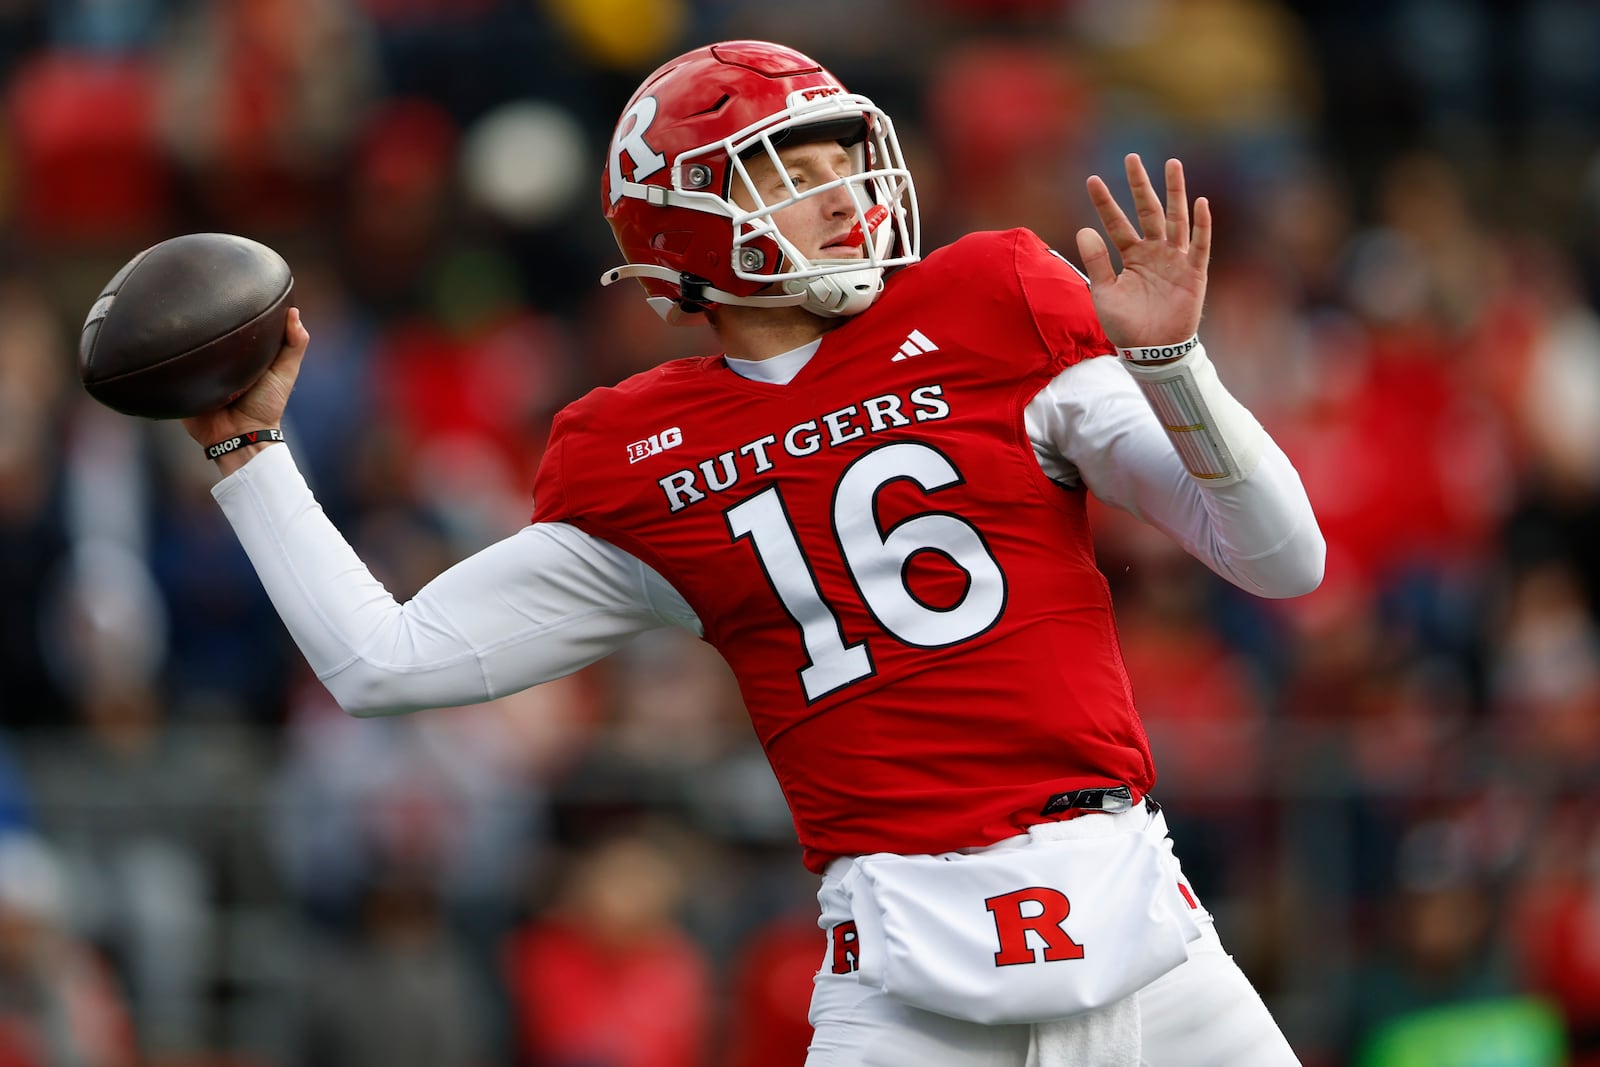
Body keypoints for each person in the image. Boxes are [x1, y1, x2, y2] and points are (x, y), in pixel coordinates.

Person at [182, 39, 1324, 1067]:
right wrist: (247, 451)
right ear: (684, 218)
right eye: (786, 168)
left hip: (1135, 926)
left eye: (839, 155)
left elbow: (1282, 559)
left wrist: (1173, 361)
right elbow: (383, 659)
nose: (839, 191)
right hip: (908, 977)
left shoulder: (991, 300)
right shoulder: (634, 452)